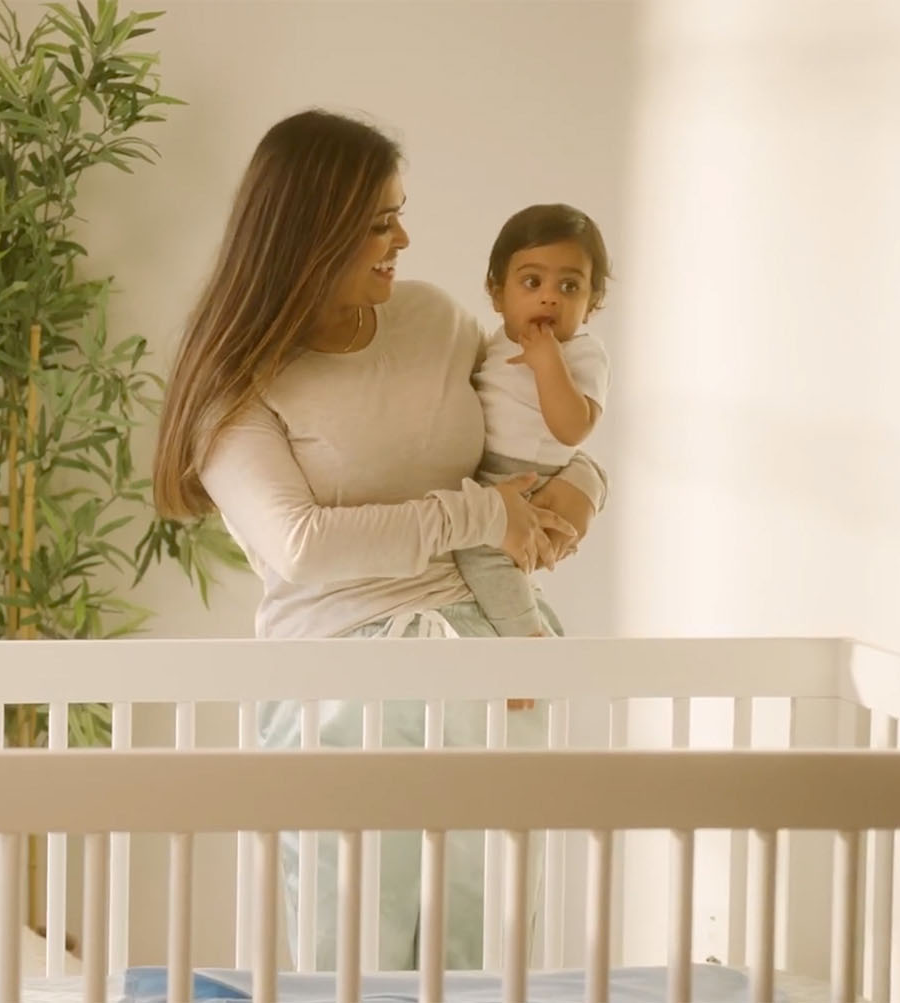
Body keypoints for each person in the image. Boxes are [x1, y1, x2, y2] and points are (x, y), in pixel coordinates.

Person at [151, 109, 608, 972]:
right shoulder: (236, 385)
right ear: (310, 231)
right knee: (357, 947)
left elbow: (526, 438)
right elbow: (301, 544)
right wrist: (483, 516)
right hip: (342, 675)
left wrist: (582, 488)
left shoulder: (432, 320)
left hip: (488, 647)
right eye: (378, 221)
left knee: (490, 946)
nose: (402, 238)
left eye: (399, 213)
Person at [452, 204, 613, 638]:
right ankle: (523, 621)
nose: (549, 297)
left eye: (569, 286)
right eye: (531, 282)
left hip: (540, 474)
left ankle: (525, 636)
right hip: (494, 475)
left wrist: (548, 363)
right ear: (497, 294)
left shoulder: (583, 353)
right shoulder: (492, 344)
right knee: (482, 546)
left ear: (592, 303)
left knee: (482, 552)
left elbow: (573, 428)